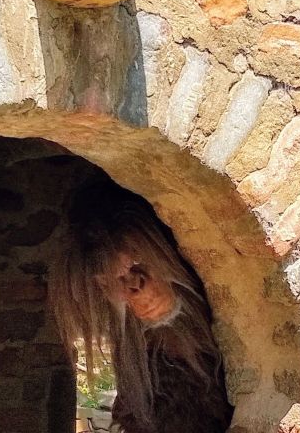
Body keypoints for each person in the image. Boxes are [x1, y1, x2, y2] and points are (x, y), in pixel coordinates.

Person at [51, 183, 233, 433]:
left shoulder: (221, 317)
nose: (135, 286)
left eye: (138, 265)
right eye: (113, 281)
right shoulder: (140, 358)